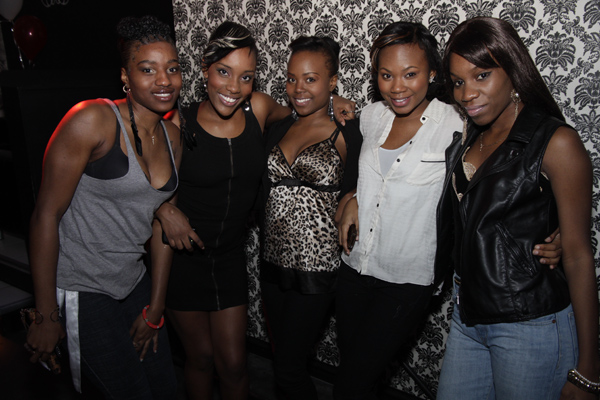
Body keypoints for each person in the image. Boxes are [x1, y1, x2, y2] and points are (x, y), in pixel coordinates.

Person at [334, 21, 563, 400]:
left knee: (351, 385)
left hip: (408, 278)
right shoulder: (373, 117)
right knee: (354, 370)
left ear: (433, 73)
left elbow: (518, 163)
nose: (397, 86)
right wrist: (352, 196)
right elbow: (358, 169)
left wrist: (558, 229)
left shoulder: (458, 122)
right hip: (354, 266)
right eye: (386, 75)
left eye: (410, 74)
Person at [155, 22, 355, 400]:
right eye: (223, 72)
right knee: (200, 359)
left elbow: (302, 108)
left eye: (246, 77)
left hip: (232, 260)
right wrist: (162, 208)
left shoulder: (259, 108)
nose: (234, 87)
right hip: (185, 261)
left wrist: (335, 99)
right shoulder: (178, 122)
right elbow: (149, 183)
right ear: (205, 69)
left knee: (235, 364)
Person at [437, 16, 599, 400]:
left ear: (513, 70)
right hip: (468, 316)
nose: (467, 94)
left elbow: (579, 256)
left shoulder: (556, 142)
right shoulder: (472, 133)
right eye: (457, 82)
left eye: (482, 76)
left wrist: (590, 370)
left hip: (530, 323)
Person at [25, 15, 181, 398]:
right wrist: (46, 314)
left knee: (165, 389)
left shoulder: (174, 137)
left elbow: (162, 227)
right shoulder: (92, 120)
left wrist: (156, 308)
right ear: (125, 76)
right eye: (148, 69)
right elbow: (46, 214)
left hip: (133, 281)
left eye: (172, 68)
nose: (164, 80)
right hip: (83, 287)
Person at [259, 36, 362, 400]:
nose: (298, 88)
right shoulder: (280, 125)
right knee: (283, 361)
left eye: (310, 79)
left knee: (288, 369)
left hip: (317, 270)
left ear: (332, 82)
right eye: (291, 78)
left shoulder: (349, 132)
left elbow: (366, 189)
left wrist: (336, 104)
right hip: (272, 264)